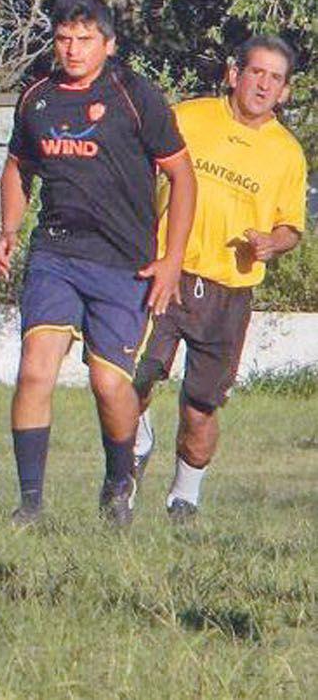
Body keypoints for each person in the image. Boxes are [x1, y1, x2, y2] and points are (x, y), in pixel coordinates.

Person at [0, 0, 196, 527]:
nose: (74, 50)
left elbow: (182, 175)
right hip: (56, 252)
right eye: (64, 39)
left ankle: (118, 478)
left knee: (109, 386)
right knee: (35, 369)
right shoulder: (37, 97)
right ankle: (30, 504)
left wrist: (171, 259)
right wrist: (10, 227)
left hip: (122, 262)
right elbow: (17, 167)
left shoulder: (134, 95)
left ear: (107, 43)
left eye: (85, 40)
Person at [131, 36, 307, 521]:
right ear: (234, 74)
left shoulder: (286, 154)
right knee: (136, 375)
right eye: (256, 72)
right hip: (168, 269)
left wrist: (273, 242)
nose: (263, 84)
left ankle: (183, 497)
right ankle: (137, 439)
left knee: (200, 407)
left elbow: (291, 226)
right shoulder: (187, 116)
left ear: (285, 92)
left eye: (274, 79)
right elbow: (140, 168)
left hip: (229, 292)